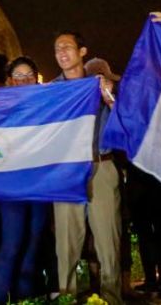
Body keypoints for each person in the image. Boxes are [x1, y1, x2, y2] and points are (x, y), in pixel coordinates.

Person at [49, 32, 121, 305]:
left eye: (67, 47)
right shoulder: (52, 91)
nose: (62, 53)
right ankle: (68, 297)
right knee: (67, 242)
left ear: (82, 51)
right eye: (57, 49)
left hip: (101, 165)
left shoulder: (100, 85)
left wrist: (109, 97)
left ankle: (112, 298)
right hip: (67, 171)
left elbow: (126, 122)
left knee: (108, 239)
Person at [0, 56, 52, 304]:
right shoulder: (0, 107)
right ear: (10, 81)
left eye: (29, 76)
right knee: (12, 245)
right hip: (12, 187)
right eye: (19, 77)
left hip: (40, 185)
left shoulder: (49, 105)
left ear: (36, 79)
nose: (24, 80)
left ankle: (24, 299)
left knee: (33, 247)